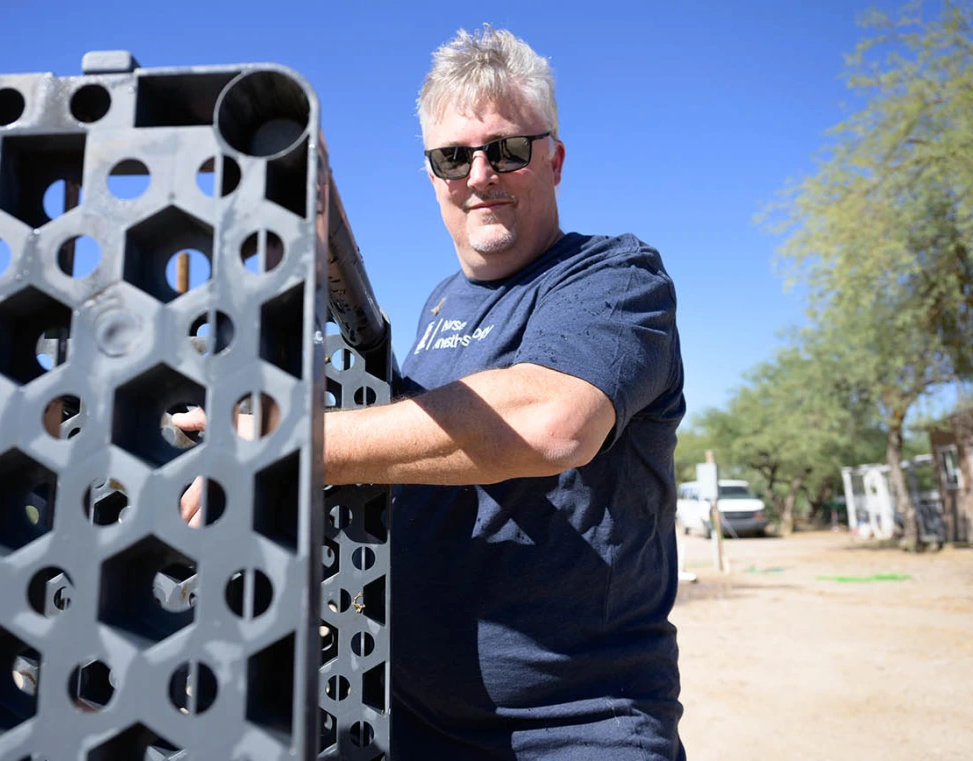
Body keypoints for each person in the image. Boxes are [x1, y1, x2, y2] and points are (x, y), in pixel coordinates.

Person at [178, 25, 686, 760]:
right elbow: (401, 450)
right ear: (431, 174)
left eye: (507, 149)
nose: (480, 174)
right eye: (454, 156)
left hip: (579, 728)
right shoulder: (441, 306)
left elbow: (552, 423)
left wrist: (296, 443)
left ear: (556, 159)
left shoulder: (614, 278)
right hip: (411, 724)